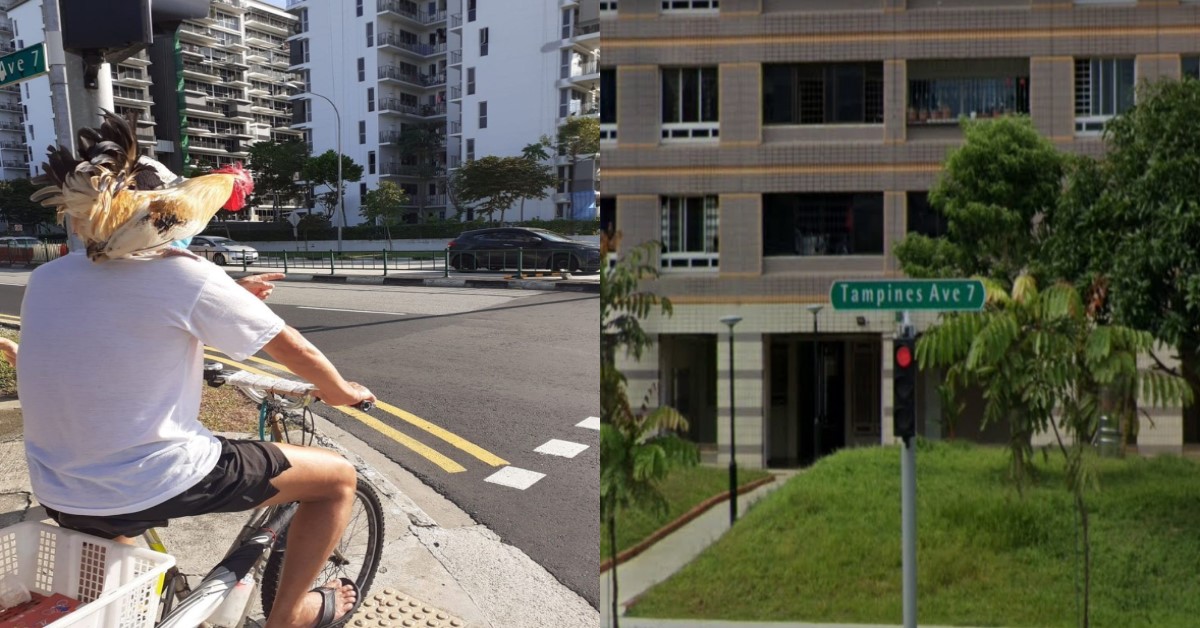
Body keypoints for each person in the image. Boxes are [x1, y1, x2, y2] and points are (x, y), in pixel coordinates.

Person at [18, 253, 375, 628]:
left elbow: (114, 317)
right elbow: (293, 349)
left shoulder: (45, 276)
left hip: (57, 482)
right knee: (337, 478)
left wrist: (228, 295)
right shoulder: (183, 271)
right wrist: (341, 392)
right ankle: (290, 615)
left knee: (109, 563)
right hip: (152, 477)